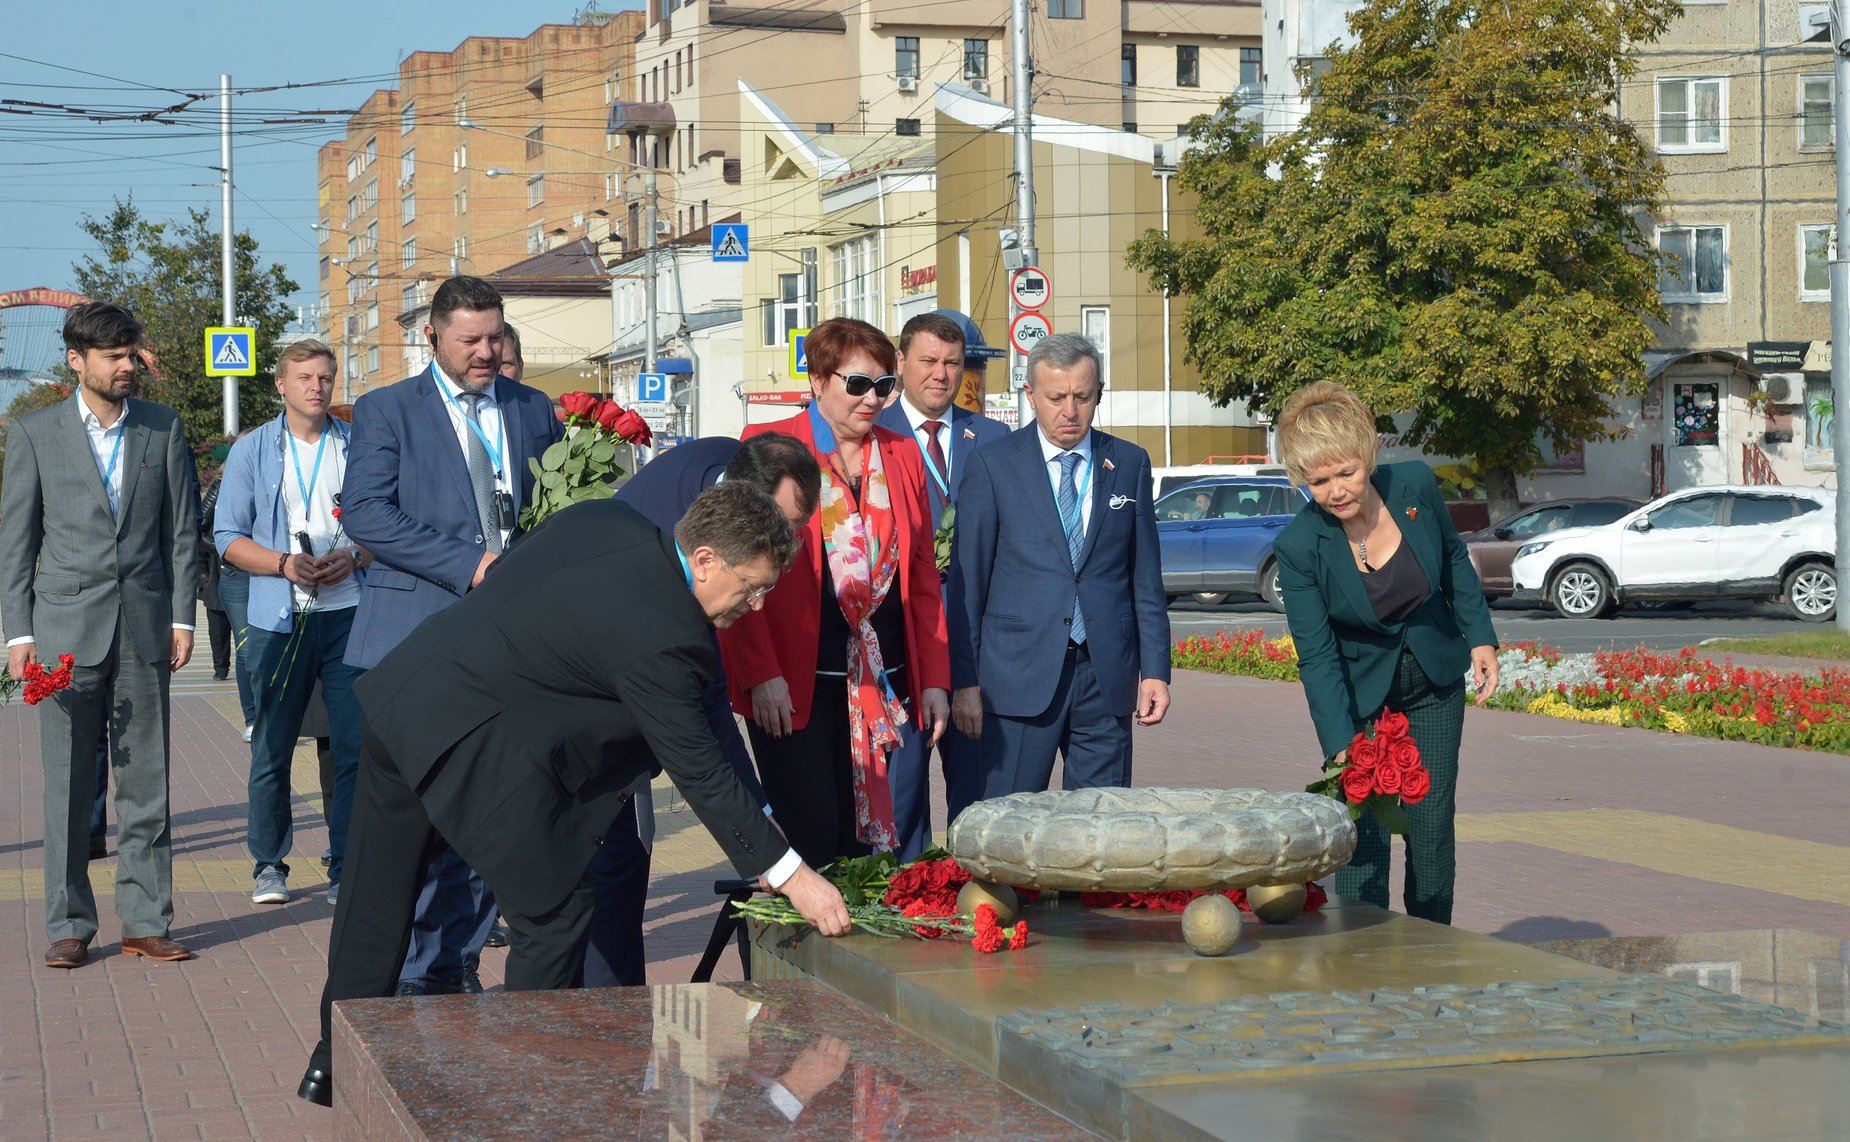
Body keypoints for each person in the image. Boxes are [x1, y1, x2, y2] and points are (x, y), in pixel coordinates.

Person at [296, 483, 852, 1107]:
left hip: (407, 697)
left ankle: (330, 1062)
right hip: (476, 749)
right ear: (703, 560)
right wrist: (792, 874)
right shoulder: (668, 636)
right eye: (752, 585)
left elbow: (522, 596)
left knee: (376, 896)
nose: (755, 604)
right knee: (556, 915)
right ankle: (523, 1093)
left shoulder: (607, 520)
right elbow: (700, 771)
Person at [340, 275, 563, 996]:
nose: (487, 352)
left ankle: (453, 963)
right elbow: (367, 515)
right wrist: (474, 565)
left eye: (495, 336)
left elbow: (553, 509)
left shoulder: (533, 409)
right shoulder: (387, 411)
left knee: (492, 813)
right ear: (431, 336)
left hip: (509, 648)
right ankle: (404, 976)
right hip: (416, 640)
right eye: (470, 339)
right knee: (417, 825)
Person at [0, 300, 199, 967]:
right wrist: (17, 634)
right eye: (113, 356)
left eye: (130, 353)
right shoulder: (33, 435)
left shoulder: (161, 429)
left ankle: (147, 919)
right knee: (65, 785)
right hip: (62, 632)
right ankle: (69, 924)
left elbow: (180, 534)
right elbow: (16, 543)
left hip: (144, 630)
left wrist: (180, 616)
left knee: (147, 781)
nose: (127, 366)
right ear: (75, 361)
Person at [582, 432, 820, 987]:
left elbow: (709, 684)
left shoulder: (727, 465)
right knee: (602, 870)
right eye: (784, 531)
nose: (791, 551)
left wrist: (758, 818)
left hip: (631, 688)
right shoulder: (663, 536)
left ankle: (619, 1014)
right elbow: (694, 747)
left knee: (619, 866)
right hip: (583, 710)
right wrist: (772, 854)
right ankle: (604, 1023)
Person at [719, 317, 950, 867]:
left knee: (873, 846)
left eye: (884, 386)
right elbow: (738, 568)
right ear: (819, 380)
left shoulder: (901, 452)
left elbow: (921, 577)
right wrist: (761, 672)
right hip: (797, 684)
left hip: (884, 682)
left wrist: (937, 678)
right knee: (810, 833)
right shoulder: (767, 446)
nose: (873, 400)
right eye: (857, 384)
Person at [1270, 381, 1500, 924]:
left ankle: (1430, 941)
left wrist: (1480, 636)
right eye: (1318, 481)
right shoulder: (1299, 548)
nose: (1336, 490)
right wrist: (1339, 745)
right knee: (1363, 834)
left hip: (1434, 686)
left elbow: (1450, 559)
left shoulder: (1415, 484)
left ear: (1368, 456)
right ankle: (1360, 949)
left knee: (1430, 825)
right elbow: (1317, 655)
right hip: (1359, 700)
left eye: (1345, 472)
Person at [950, 332, 1170, 799]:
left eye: (1082, 397)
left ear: (1098, 394)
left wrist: (1155, 670)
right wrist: (964, 681)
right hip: (1016, 679)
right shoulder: (993, 464)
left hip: (1105, 675)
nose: (1069, 410)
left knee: (1101, 829)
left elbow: (1144, 577)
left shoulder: (1128, 462)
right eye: (1055, 397)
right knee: (1009, 825)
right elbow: (969, 584)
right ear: (1030, 395)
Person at [216, 340, 371, 908]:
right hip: (280, 620)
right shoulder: (253, 450)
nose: (317, 387)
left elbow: (386, 526)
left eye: (326, 377)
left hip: (349, 616)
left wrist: (354, 557)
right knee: (273, 746)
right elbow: (227, 538)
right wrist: (284, 564)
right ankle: (268, 865)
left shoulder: (359, 444)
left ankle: (345, 865)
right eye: (304, 377)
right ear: (281, 384)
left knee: (352, 747)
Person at [876, 312, 1007, 826]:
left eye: (953, 363)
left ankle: (976, 901)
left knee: (980, 803)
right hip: (903, 644)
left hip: (979, 650)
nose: (940, 373)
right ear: (902, 363)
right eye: (928, 360)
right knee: (901, 797)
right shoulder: (873, 434)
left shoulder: (996, 439)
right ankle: (906, 896)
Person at [214, 429, 262, 741]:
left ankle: (273, 713)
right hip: (236, 575)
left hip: (269, 569)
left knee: (271, 644)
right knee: (247, 647)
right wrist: (229, 549)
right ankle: (253, 718)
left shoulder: (272, 478)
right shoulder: (221, 487)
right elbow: (202, 528)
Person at [197, 469, 233, 681]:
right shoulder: (219, 489)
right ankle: (221, 668)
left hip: (253, 571)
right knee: (218, 626)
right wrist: (226, 547)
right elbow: (196, 529)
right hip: (218, 570)